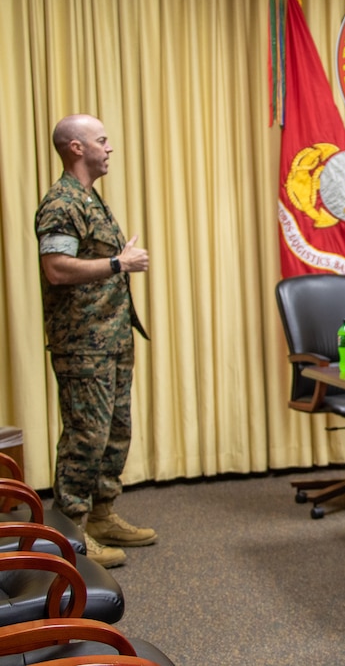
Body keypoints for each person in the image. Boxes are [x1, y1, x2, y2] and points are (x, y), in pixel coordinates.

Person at [35, 115, 158, 569]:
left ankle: (103, 515)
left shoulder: (90, 199)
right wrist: (117, 263)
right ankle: (72, 536)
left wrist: (114, 261)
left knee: (114, 432)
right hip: (82, 342)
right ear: (75, 148)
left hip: (110, 337)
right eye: (101, 141)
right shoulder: (62, 202)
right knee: (85, 436)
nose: (109, 148)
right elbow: (56, 267)